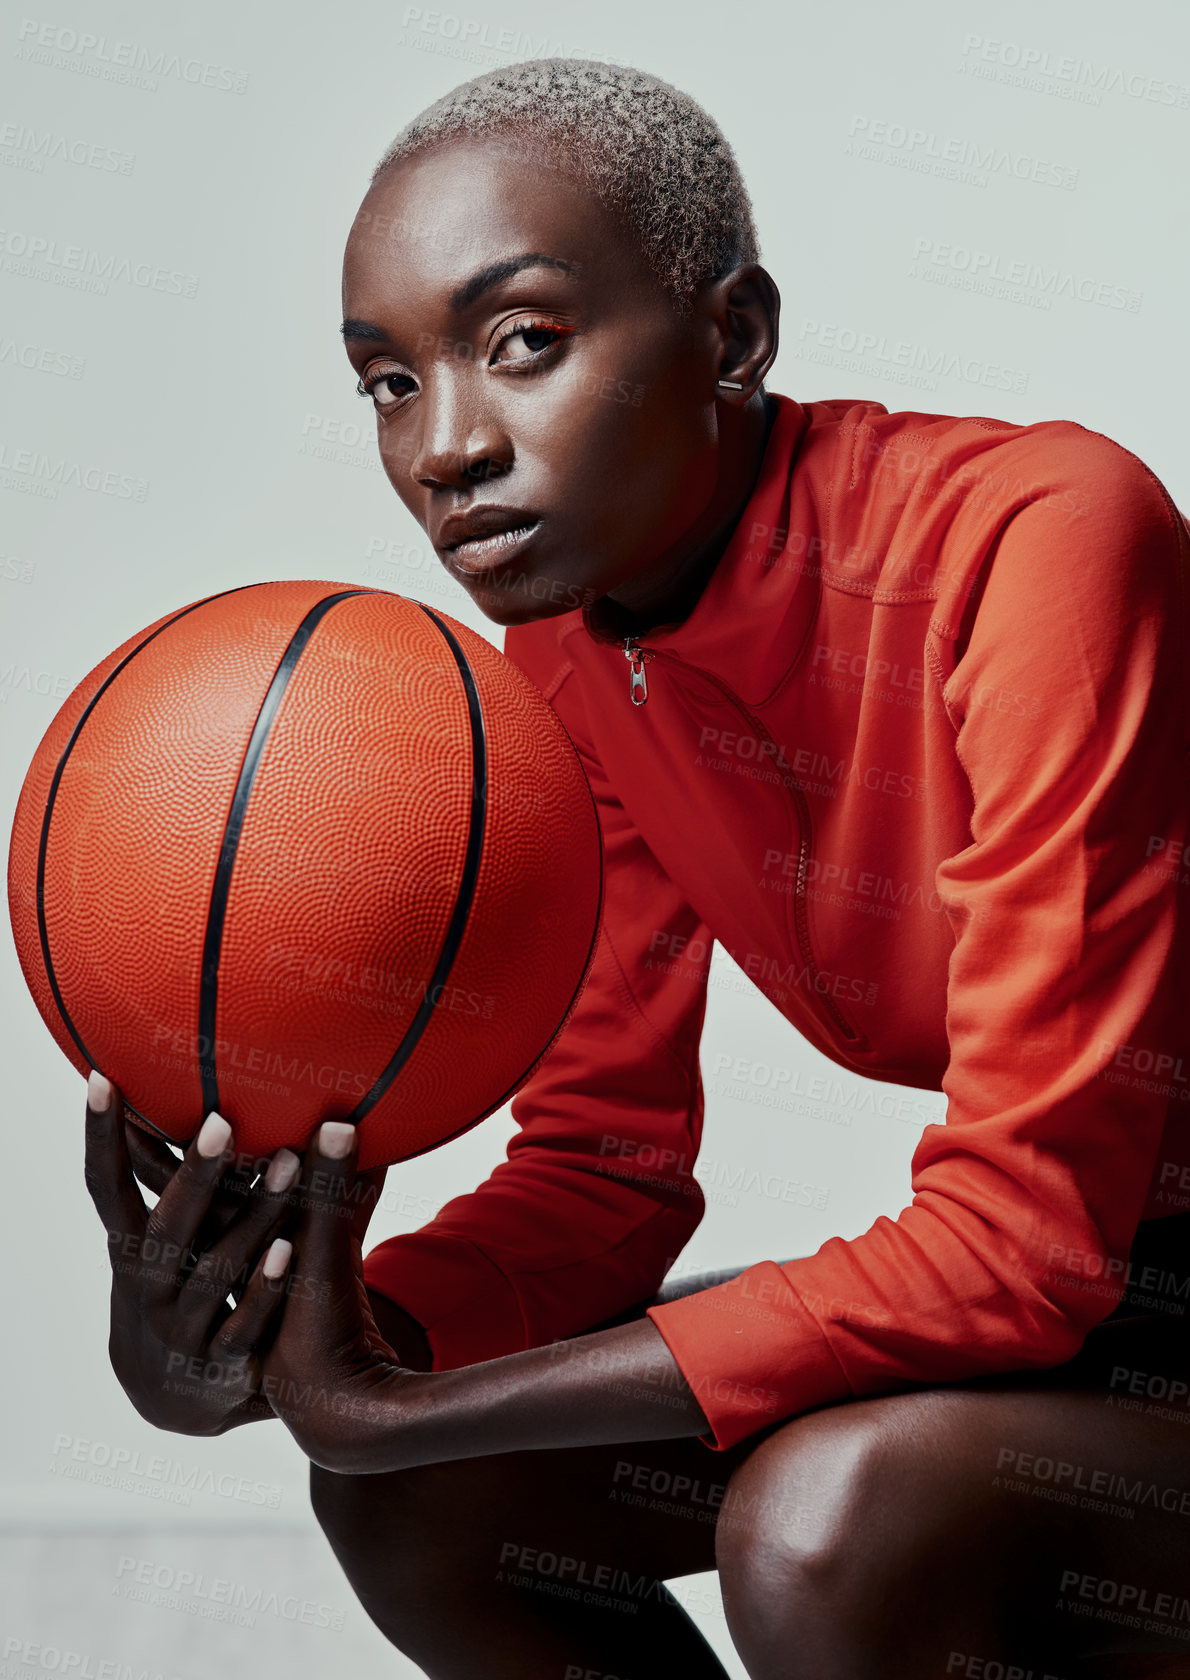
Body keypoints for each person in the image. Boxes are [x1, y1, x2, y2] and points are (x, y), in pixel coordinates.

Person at [83, 59, 1190, 1680]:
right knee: (419, 1503)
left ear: (732, 335)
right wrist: (312, 1331)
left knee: (836, 1515)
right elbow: (602, 1169)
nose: (447, 446)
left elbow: (1021, 1247)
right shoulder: (559, 671)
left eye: (519, 343)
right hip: (1101, 1326)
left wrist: (396, 1403)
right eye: (389, 381)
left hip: (1081, 1296)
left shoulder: (1040, 536)